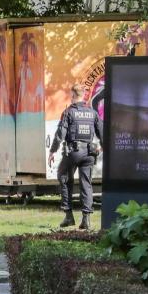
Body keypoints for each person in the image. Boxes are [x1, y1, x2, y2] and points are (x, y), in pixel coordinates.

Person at [48, 83, 103, 230]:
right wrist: (102, 146)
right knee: (86, 183)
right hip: (89, 153)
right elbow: (101, 132)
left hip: (73, 152)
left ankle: (68, 216)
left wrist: (52, 151)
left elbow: (60, 134)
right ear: (84, 95)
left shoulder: (68, 112)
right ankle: (86, 219)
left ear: (73, 95)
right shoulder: (92, 112)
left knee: (64, 178)